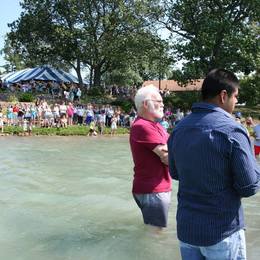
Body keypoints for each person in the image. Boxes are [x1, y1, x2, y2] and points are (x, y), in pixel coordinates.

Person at [168, 69, 260, 259]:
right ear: (223, 95)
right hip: (221, 231)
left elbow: (175, 173)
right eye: (235, 97)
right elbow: (249, 187)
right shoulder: (232, 130)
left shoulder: (179, 129)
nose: (236, 102)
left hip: (187, 229)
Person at [129, 85, 172, 229]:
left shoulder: (156, 125)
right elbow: (167, 158)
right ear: (146, 104)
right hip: (153, 189)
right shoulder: (142, 126)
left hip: (154, 189)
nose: (163, 105)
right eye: (158, 102)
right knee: (156, 235)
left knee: (155, 231)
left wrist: (170, 150)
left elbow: (173, 146)